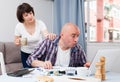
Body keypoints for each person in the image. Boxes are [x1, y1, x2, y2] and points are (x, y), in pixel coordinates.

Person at [14, 3, 56, 68]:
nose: (30, 16)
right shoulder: (19, 26)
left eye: (30, 13)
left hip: (39, 53)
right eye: (26, 15)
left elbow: (46, 35)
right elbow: (16, 41)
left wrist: (50, 35)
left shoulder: (40, 23)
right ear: (22, 17)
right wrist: (18, 41)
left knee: (40, 72)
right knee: (29, 73)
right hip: (25, 54)